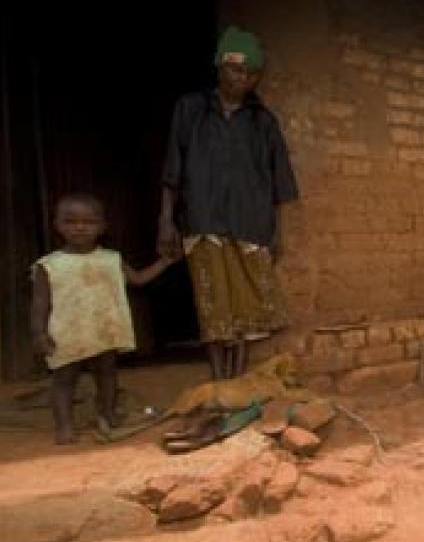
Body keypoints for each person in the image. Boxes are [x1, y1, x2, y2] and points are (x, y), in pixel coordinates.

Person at [157, 26, 299, 381]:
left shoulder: (263, 121)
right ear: (220, 66)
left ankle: (236, 375)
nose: (243, 78)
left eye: (252, 73)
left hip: (251, 222)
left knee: (244, 302)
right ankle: (218, 375)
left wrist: (280, 234)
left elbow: (281, 182)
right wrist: (166, 219)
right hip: (203, 220)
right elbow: (173, 167)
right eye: (236, 70)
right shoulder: (190, 109)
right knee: (212, 301)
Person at [30, 193, 175, 444]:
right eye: (70, 221)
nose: (79, 227)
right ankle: (64, 427)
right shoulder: (49, 265)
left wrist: (165, 262)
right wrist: (39, 333)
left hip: (103, 329)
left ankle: (108, 413)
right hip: (67, 332)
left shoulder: (111, 259)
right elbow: (40, 303)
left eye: (89, 222)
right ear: (57, 225)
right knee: (64, 380)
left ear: (102, 227)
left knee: (107, 373)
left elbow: (138, 279)